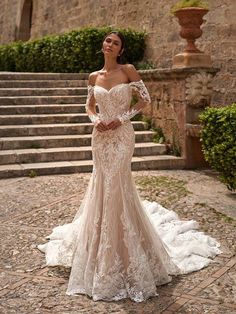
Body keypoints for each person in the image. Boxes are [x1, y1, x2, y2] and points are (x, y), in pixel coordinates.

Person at [37, 31, 222, 303]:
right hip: (100, 137)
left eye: (115, 42)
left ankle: (124, 251)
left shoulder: (128, 70)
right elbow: (88, 105)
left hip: (122, 136)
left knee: (117, 183)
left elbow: (144, 100)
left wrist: (121, 119)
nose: (110, 44)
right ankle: (100, 248)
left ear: (121, 49)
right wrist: (95, 119)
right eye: (108, 41)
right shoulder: (93, 77)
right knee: (102, 183)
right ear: (103, 46)